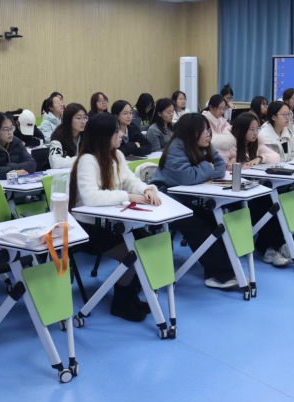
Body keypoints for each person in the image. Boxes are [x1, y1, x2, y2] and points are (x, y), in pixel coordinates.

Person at [68, 113, 161, 322]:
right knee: (132, 251)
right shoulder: (87, 161)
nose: (121, 135)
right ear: (104, 135)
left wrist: (146, 190)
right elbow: (91, 198)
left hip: (111, 223)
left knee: (147, 243)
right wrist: (127, 196)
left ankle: (130, 295)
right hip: (86, 228)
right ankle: (121, 302)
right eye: (116, 131)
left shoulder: (116, 155)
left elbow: (130, 181)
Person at [151, 113, 239, 288]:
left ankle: (219, 270)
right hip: (166, 200)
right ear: (191, 132)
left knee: (214, 220)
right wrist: (207, 167)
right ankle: (221, 274)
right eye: (203, 131)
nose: (208, 134)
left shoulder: (204, 144)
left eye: (208, 130)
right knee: (197, 226)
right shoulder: (176, 147)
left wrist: (202, 172)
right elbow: (187, 176)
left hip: (188, 199)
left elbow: (220, 168)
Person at [226, 113, 290, 267]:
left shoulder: (255, 145)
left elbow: (275, 156)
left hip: (250, 189)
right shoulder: (228, 145)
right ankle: (272, 247)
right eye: (251, 129)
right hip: (231, 192)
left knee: (271, 201)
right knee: (260, 205)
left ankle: (271, 246)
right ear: (241, 130)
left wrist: (260, 158)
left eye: (257, 129)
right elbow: (220, 168)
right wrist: (238, 166)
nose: (255, 133)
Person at [49, 103, 87, 169]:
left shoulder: (86, 134)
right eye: (79, 118)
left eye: (84, 118)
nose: (83, 122)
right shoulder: (58, 136)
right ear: (68, 119)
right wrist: (81, 160)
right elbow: (56, 163)